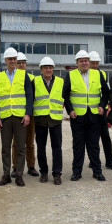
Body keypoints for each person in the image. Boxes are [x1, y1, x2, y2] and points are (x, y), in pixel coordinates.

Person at [63, 50, 108, 182]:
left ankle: (97, 171)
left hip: (94, 115)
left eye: (86, 60)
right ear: (77, 63)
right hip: (77, 116)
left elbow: (105, 92)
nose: (84, 63)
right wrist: (70, 110)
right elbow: (65, 95)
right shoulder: (71, 75)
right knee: (78, 145)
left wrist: (102, 105)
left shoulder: (97, 74)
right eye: (81, 61)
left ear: (89, 62)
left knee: (94, 144)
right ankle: (77, 172)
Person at [0, 47, 33, 187]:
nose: (13, 61)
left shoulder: (23, 75)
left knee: (21, 147)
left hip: (20, 117)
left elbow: (29, 96)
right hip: (5, 118)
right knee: (5, 148)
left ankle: (19, 175)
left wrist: (28, 114)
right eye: (10, 59)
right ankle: (6, 174)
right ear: (6, 61)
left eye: (14, 59)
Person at [33, 56, 64, 185]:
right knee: (41, 147)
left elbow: (66, 98)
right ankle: (44, 172)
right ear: (41, 69)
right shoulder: (34, 82)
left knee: (57, 147)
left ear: (53, 69)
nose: (48, 70)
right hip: (40, 119)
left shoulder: (61, 82)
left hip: (55, 119)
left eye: (50, 67)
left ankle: (57, 174)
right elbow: (31, 100)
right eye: (45, 67)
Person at [88, 50, 112, 172]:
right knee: (93, 138)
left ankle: (110, 161)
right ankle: (94, 160)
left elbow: (105, 92)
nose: (95, 66)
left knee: (106, 137)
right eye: (93, 63)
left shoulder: (102, 74)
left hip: (102, 111)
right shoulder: (85, 75)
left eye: (97, 63)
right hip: (90, 111)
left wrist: (103, 106)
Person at [11, 52, 40, 177]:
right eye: (19, 63)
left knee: (30, 142)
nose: (21, 65)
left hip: (30, 115)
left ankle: (31, 166)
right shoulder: (11, 79)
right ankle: (16, 166)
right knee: (16, 142)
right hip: (16, 114)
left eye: (23, 63)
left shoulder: (32, 78)